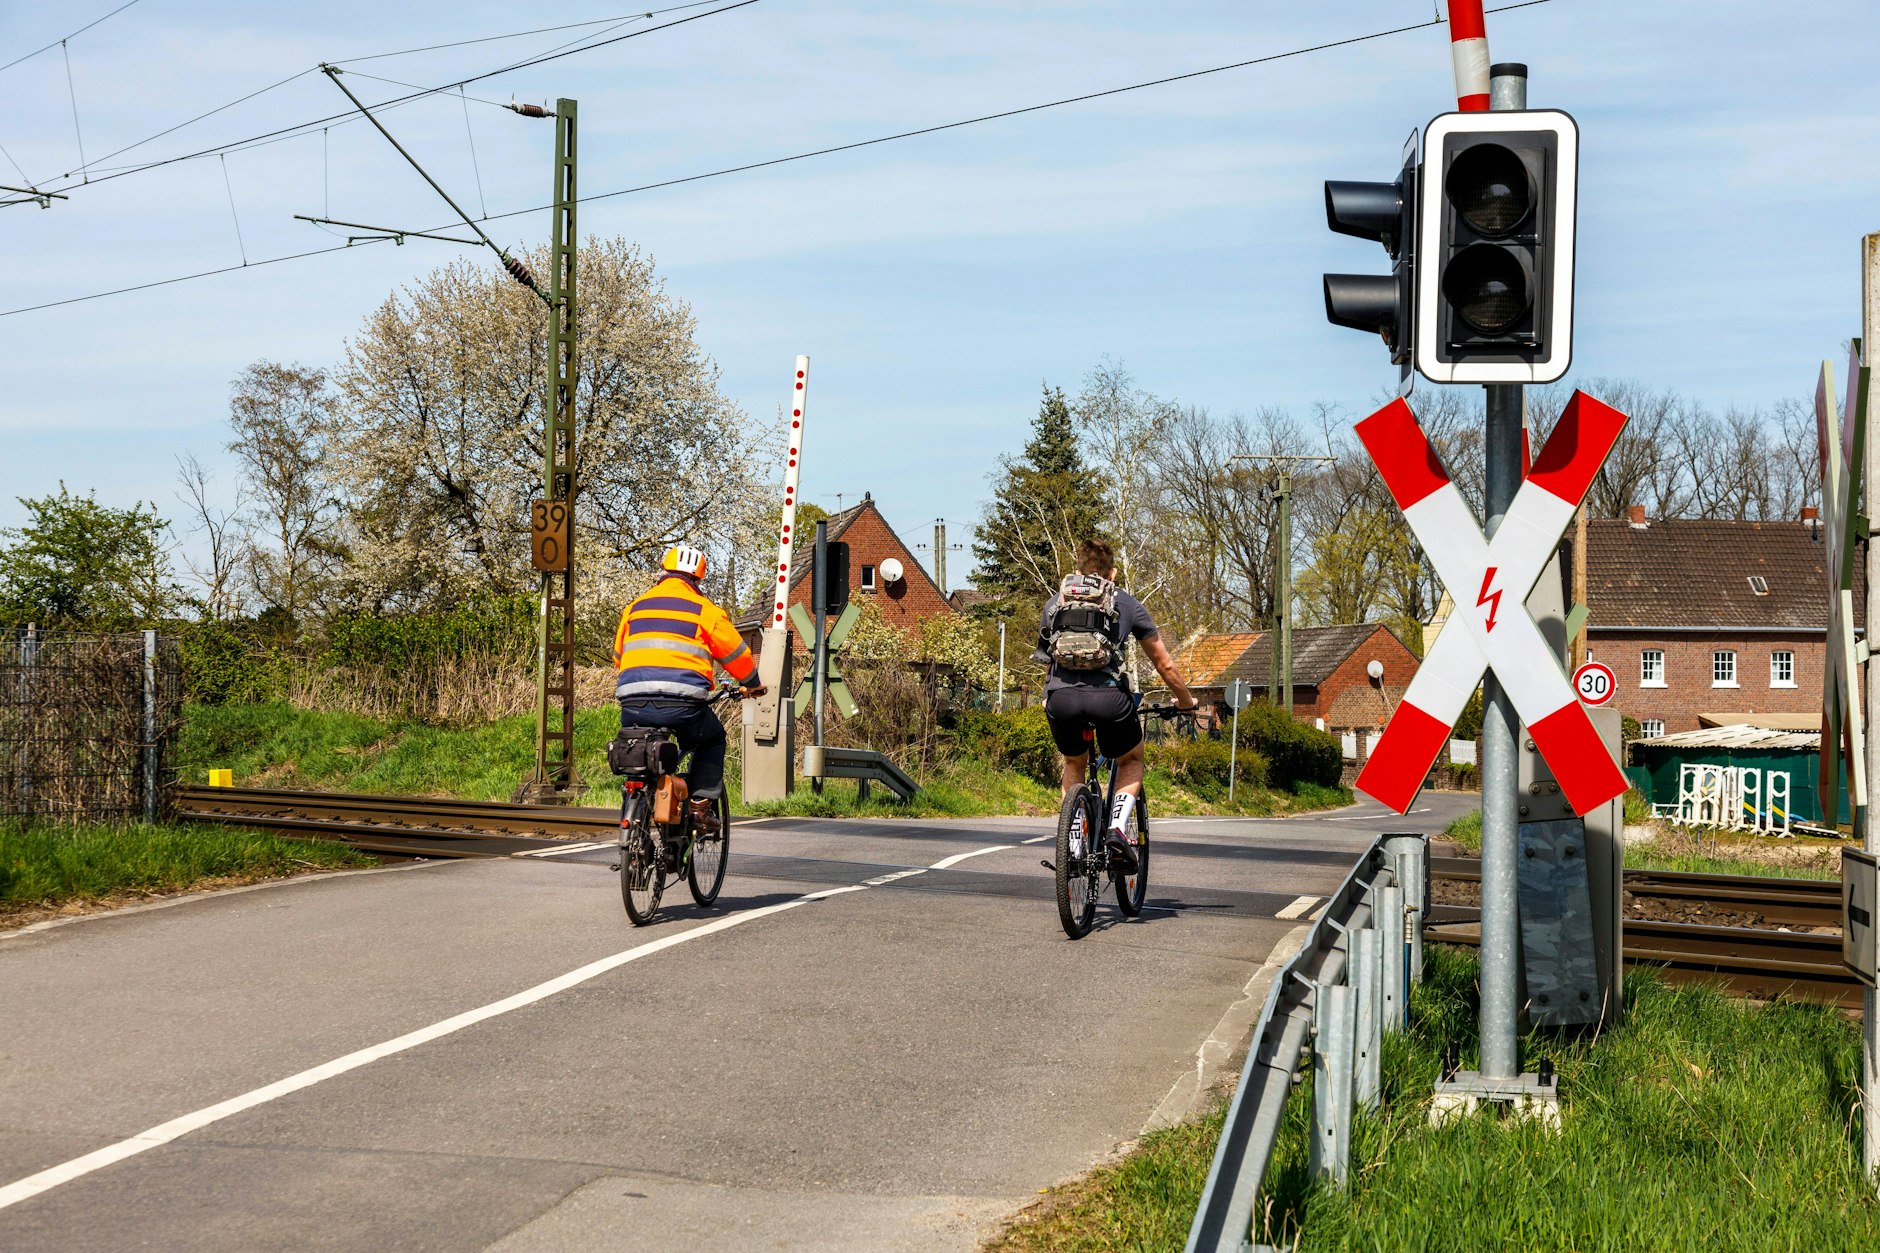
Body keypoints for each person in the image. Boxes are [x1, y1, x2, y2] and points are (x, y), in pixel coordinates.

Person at [1037, 538, 1198, 874]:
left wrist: (1048, 696)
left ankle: (1075, 846)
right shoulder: (1126, 602)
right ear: (1112, 573)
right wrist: (1186, 702)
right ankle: (1117, 828)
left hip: (1061, 699)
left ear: (1079, 569)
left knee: (1074, 761)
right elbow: (1164, 664)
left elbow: (1048, 659)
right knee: (1131, 758)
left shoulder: (1055, 602)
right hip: (1109, 700)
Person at [613, 545, 765, 834]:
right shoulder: (706, 611)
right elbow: (738, 656)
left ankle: (636, 816)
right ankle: (699, 808)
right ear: (698, 579)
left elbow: (619, 657)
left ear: (664, 572)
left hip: (633, 703)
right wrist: (753, 684)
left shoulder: (635, 608)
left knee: (640, 756)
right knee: (712, 738)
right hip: (682, 707)